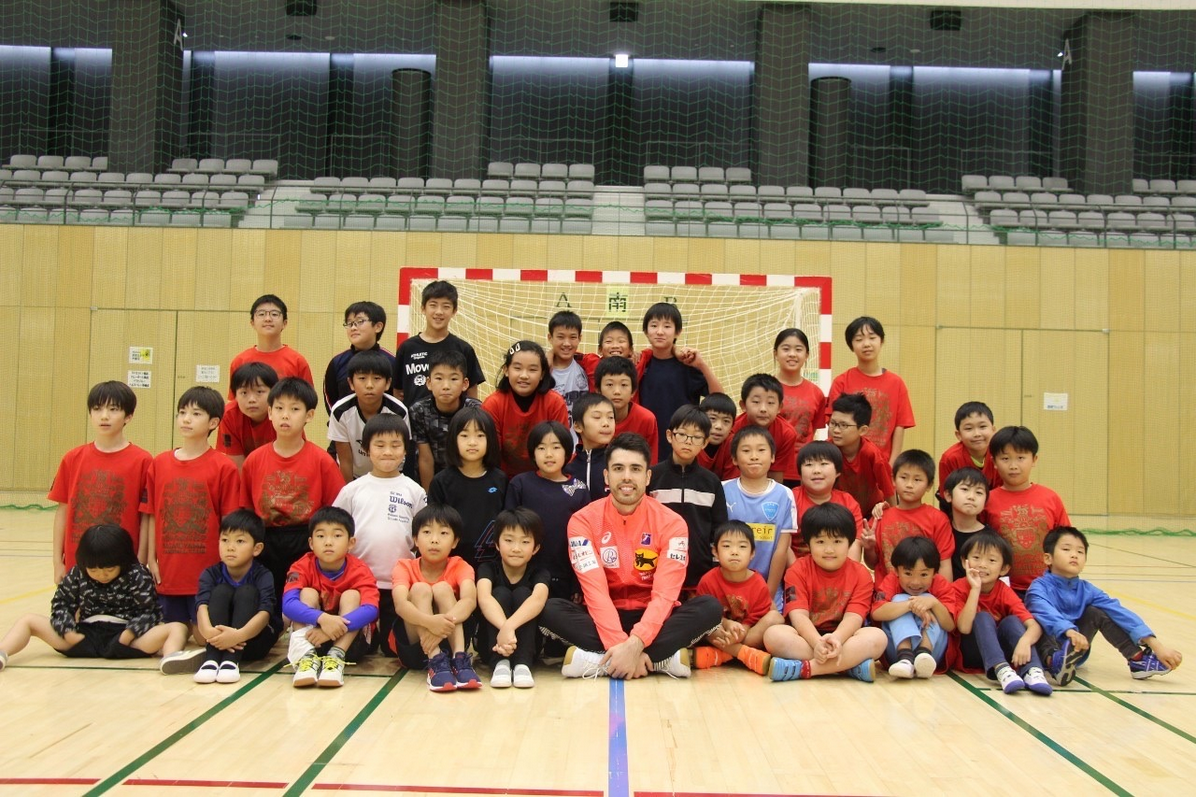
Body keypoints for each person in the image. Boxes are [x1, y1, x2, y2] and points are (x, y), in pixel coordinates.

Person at [539, 433, 723, 679]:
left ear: (648, 477)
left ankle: (602, 662)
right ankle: (657, 660)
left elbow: (665, 594)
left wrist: (636, 642)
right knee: (549, 609)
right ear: (607, 476)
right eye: (618, 468)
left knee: (710, 607)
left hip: (654, 616)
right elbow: (595, 591)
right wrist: (621, 643)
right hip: (603, 614)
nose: (627, 476)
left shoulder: (673, 523)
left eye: (635, 469)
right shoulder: (582, 521)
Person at [0, 524, 199, 673]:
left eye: (109, 570)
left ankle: (171, 658)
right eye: (93, 570)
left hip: (126, 637)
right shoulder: (77, 573)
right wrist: (67, 630)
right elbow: (62, 604)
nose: (101, 575)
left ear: (122, 561)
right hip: (83, 635)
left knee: (178, 627)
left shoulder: (137, 574)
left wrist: (129, 633)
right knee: (28, 620)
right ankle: (2, 653)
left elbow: (149, 612)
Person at [143, 387, 244, 642]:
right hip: (169, 571)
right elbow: (151, 514)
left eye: (196, 414)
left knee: (202, 638)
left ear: (213, 423)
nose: (186, 419)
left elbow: (229, 521)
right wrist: (151, 558)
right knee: (172, 633)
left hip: (206, 572)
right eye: (182, 412)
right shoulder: (159, 463)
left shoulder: (223, 466)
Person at [1027, 527, 1182, 685]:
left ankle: (1137, 659)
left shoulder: (1088, 590)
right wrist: (1069, 631)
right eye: (1066, 549)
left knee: (1096, 612)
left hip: (1077, 646)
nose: (1074, 555)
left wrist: (1157, 646)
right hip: (1048, 647)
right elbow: (1044, 611)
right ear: (1048, 558)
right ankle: (1054, 661)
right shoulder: (1038, 587)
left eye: (1080, 552)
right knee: (1037, 621)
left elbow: (1119, 612)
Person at [241, 377, 345, 608]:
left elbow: (335, 510)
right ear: (269, 413)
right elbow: (246, 509)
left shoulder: (322, 461)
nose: (285, 415)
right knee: (266, 603)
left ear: (309, 415)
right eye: (279, 408)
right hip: (265, 540)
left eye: (294, 409)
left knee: (301, 601)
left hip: (306, 541)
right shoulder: (254, 460)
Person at [332, 414, 428, 654]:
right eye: (379, 445)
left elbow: (423, 536)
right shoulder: (352, 490)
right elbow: (336, 530)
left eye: (395, 445)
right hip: (359, 584)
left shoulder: (414, 491)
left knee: (392, 649)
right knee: (360, 649)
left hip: (399, 585)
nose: (387, 452)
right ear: (366, 449)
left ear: (405, 450)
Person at [764, 504, 886, 682]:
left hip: (844, 637)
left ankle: (806, 669)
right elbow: (798, 616)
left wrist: (836, 639)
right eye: (820, 542)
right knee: (773, 635)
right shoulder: (797, 570)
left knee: (878, 637)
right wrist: (817, 644)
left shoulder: (861, 574)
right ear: (808, 543)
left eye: (837, 541)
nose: (829, 550)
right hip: (806, 637)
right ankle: (848, 667)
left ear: (850, 543)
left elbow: (854, 617)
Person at [49, 380, 153, 582]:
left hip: (122, 565)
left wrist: (141, 562)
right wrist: (57, 562)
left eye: (113, 409)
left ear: (128, 416)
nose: (104, 416)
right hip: (78, 564)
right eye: (97, 409)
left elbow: (145, 518)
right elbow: (63, 511)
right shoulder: (72, 458)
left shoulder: (143, 461)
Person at [284, 507, 380, 689]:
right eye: (321, 536)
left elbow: (371, 609)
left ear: (351, 542)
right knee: (306, 593)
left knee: (352, 595)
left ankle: (336, 658)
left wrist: (330, 630)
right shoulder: (302, 566)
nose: (328, 542)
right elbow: (288, 604)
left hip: (350, 644)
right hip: (313, 639)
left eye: (337, 536)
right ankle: (306, 658)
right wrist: (322, 619)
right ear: (311, 543)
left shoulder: (359, 570)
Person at [390, 504, 481, 692]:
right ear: (415, 539)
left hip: (450, 640)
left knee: (443, 588)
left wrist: (441, 627)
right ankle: (435, 660)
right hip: (417, 648)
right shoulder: (404, 566)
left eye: (444, 533)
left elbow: (469, 601)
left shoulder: (461, 566)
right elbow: (400, 605)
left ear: (455, 541)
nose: (434, 540)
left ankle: (460, 660)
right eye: (427, 532)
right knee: (419, 589)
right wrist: (430, 623)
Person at [950, 531, 1052, 695]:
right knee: (983, 617)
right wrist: (975, 589)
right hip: (971, 652)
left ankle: (1033, 670)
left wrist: (1024, 642)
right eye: (976, 558)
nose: (982, 565)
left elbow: (1034, 626)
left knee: (1012, 621)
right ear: (964, 561)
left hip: (1001, 651)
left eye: (991, 560)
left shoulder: (1004, 591)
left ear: (1004, 568)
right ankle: (1001, 669)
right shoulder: (957, 588)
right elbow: (964, 627)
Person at [192, 510, 283, 684]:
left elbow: (265, 613)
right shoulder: (210, 574)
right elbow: (201, 606)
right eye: (225, 540)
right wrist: (209, 633)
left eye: (239, 541)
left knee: (247, 591)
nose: (230, 547)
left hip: (252, 641)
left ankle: (231, 661)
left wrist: (238, 635)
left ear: (257, 548)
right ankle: (211, 660)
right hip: (217, 642)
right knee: (221, 591)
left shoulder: (263, 575)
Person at [504, 421, 590, 601]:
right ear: (533, 453)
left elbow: (585, 541)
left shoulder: (579, 488)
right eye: (541, 448)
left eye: (556, 447)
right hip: (525, 576)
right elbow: (507, 531)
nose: (549, 454)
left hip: (564, 578)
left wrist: (578, 583)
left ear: (567, 451)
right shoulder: (520, 484)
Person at [647, 405, 728, 590]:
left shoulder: (711, 482)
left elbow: (719, 528)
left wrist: (715, 566)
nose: (688, 442)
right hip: (657, 569)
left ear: (705, 442)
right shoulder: (652, 476)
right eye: (682, 434)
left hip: (699, 572)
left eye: (696, 437)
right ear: (670, 436)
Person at [983, 426, 1070, 594]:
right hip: (1003, 590)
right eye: (1005, 458)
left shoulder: (1050, 498)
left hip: (1049, 587)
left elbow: (1066, 542)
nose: (1013, 466)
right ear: (994, 462)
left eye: (1021, 458)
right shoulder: (987, 500)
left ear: (1034, 459)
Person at [720, 427, 796, 610]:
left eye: (761, 450)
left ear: (772, 456)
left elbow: (781, 550)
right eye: (746, 451)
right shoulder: (722, 490)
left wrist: (767, 595)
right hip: (726, 587)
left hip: (768, 587)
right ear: (734, 459)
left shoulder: (784, 495)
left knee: (774, 622)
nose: (754, 456)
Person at [693, 521, 783, 675]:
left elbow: (755, 617)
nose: (734, 552)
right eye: (727, 546)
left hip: (747, 634)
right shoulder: (708, 580)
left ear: (752, 553)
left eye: (742, 546)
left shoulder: (758, 583)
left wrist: (742, 631)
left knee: (775, 617)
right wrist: (726, 623)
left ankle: (723, 654)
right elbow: (705, 613)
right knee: (703, 623)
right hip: (720, 630)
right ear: (715, 552)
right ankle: (743, 654)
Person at [635, 302, 722, 460]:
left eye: (667, 326)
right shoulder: (640, 364)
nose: (660, 331)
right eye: (654, 325)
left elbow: (719, 399)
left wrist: (702, 365)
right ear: (646, 331)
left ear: (678, 332)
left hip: (683, 446)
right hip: (646, 445)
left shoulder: (688, 365)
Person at [476, 507, 551, 688]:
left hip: (529, 649)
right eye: (509, 540)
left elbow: (538, 600)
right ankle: (500, 664)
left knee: (523, 594)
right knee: (500, 593)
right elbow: (484, 599)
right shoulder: (487, 568)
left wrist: (508, 628)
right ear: (497, 543)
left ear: (536, 548)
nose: (516, 548)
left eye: (525, 542)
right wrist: (505, 630)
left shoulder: (540, 573)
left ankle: (522, 665)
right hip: (491, 647)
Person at [825, 316, 914, 465]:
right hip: (846, 464)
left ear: (881, 341)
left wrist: (892, 464)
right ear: (851, 345)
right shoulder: (841, 381)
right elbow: (833, 425)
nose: (866, 344)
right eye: (859, 339)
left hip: (882, 463)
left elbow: (899, 426)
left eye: (872, 338)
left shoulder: (896, 383)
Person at [428, 406, 507, 569]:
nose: (472, 442)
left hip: (492, 567)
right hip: (451, 566)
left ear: (491, 439)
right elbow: (434, 526)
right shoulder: (441, 482)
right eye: (464, 435)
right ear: (453, 439)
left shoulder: (500, 480)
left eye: (480, 435)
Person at [859, 449, 954, 584]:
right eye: (903, 477)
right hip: (887, 592)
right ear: (893, 480)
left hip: (924, 592)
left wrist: (944, 595)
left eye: (917, 479)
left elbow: (944, 564)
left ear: (929, 485)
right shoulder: (879, 517)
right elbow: (873, 564)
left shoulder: (938, 519)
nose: (909, 485)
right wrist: (869, 548)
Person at [870, 537, 957, 679]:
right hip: (896, 653)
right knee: (899, 599)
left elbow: (950, 625)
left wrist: (933, 603)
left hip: (933, 654)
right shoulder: (891, 580)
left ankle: (924, 653)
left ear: (935, 573)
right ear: (896, 571)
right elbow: (877, 613)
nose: (916, 582)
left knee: (933, 602)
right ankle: (906, 658)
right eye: (908, 573)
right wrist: (910, 605)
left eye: (924, 574)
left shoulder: (940, 584)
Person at [481, 340, 569, 477]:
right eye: (517, 368)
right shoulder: (493, 404)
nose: (524, 375)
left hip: (546, 477)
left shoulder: (555, 403)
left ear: (542, 374)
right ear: (506, 370)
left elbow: (561, 449)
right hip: (503, 478)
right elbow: (490, 453)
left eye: (532, 370)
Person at [393, 280, 485, 406]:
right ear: (423, 308)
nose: (439, 312)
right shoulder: (407, 348)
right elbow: (398, 391)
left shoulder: (464, 349)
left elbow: (472, 394)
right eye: (433, 305)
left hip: (455, 418)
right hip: (415, 417)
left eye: (446, 306)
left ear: (454, 311)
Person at [327, 349, 409, 482]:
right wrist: (350, 491)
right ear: (351, 383)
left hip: (389, 476)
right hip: (354, 476)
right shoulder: (340, 411)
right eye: (362, 378)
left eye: (377, 378)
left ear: (388, 383)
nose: (369, 385)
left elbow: (400, 454)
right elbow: (345, 461)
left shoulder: (399, 411)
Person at [409, 348, 482, 489]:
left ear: (465, 384)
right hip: (434, 479)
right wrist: (429, 495)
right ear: (429, 383)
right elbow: (425, 458)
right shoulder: (418, 411)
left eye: (453, 379)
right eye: (439, 378)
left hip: (468, 476)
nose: (446, 386)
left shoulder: (476, 410)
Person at [708, 374, 798, 485]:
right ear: (743, 405)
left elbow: (776, 478)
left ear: (779, 407)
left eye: (770, 403)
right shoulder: (731, 429)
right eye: (756, 402)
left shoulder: (787, 434)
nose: (763, 409)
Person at [227, 294, 313, 397]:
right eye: (261, 314)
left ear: (284, 323)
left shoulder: (298, 361)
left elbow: (308, 400)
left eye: (274, 314)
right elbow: (233, 400)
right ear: (252, 323)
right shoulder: (240, 361)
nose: (268, 319)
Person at [790, 441, 865, 560]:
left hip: (837, 566)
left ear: (838, 471)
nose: (816, 470)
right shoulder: (790, 498)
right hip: (798, 567)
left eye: (824, 464)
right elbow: (784, 544)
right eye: (809, 464)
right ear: (800, 472)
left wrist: (849, 571)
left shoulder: (847, 502)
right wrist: (796, 570)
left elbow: (854, 542)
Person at [827, 392, 894, 520]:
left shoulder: (872, 454)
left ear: (862, 430)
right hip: (837, 515)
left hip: (870, 513)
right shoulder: (826, 450)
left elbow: (889, 491)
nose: (835, 430)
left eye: (843, 425)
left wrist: (892, 518)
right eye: (833, 423)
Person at [323, 301, 396, 418]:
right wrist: (340, 420)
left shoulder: (392, 361)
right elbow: (330, 398)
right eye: (349, 323)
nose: (353, 328)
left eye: (360, 321)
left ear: (378, 326)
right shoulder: (337, 362)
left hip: (385, 425)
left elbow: (396, 397)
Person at [937, 401, 1000, 511]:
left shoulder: (1000, 454)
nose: (977, 434)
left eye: (982, 426)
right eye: (969, 428)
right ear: (959, 435)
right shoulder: (950, 458)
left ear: (993, 430)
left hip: (993, 508)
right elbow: (946, 497)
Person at [595, 356, 658, 463]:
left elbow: (651, 462)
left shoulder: (646, 419)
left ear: (633, 391)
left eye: (624, 385)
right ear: (598, 390)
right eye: (610, 384)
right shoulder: (590, 418)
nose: (617, 391)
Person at [217, 362, 280, 468]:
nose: (251, 400)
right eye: (244, 393)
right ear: (235, 396)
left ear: (274, 393)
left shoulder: (283, 414)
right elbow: (237, 465)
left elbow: (293, 456)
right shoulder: (229, 415)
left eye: (259, 391)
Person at [773, 328, 826, 449]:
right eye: (786, 349)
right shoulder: (765, 388)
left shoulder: (816, 393)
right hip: (773, 457)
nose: (792, 354)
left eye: (798, 349)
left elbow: (813, 430)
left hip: (804, 458)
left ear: (807, 355)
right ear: (776, 353)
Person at [942, 467, 995, 580]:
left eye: (979, 492)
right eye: (965, 489)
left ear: (985, 502)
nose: (971, 497)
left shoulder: (991, 539)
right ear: (948, 495)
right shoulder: (940, 530)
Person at [564, 392, 615, 501]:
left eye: (611, 417)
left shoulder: (618, 463)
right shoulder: (567, 466)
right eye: (597, 417)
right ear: (578, 426)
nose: (606, 423)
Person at [546, 310, 591, 420]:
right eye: (560, 337)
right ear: (550, 338)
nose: (567, 343)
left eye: (573, 337)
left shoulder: (586, 366)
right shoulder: (541, 371)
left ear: (580, 338)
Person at [695, 393, 736, 472]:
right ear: (700, 419)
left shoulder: (733, 444)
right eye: (713, 419)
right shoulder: (689, 440)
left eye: (726, 421)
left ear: (732, 426)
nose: (719, 426)